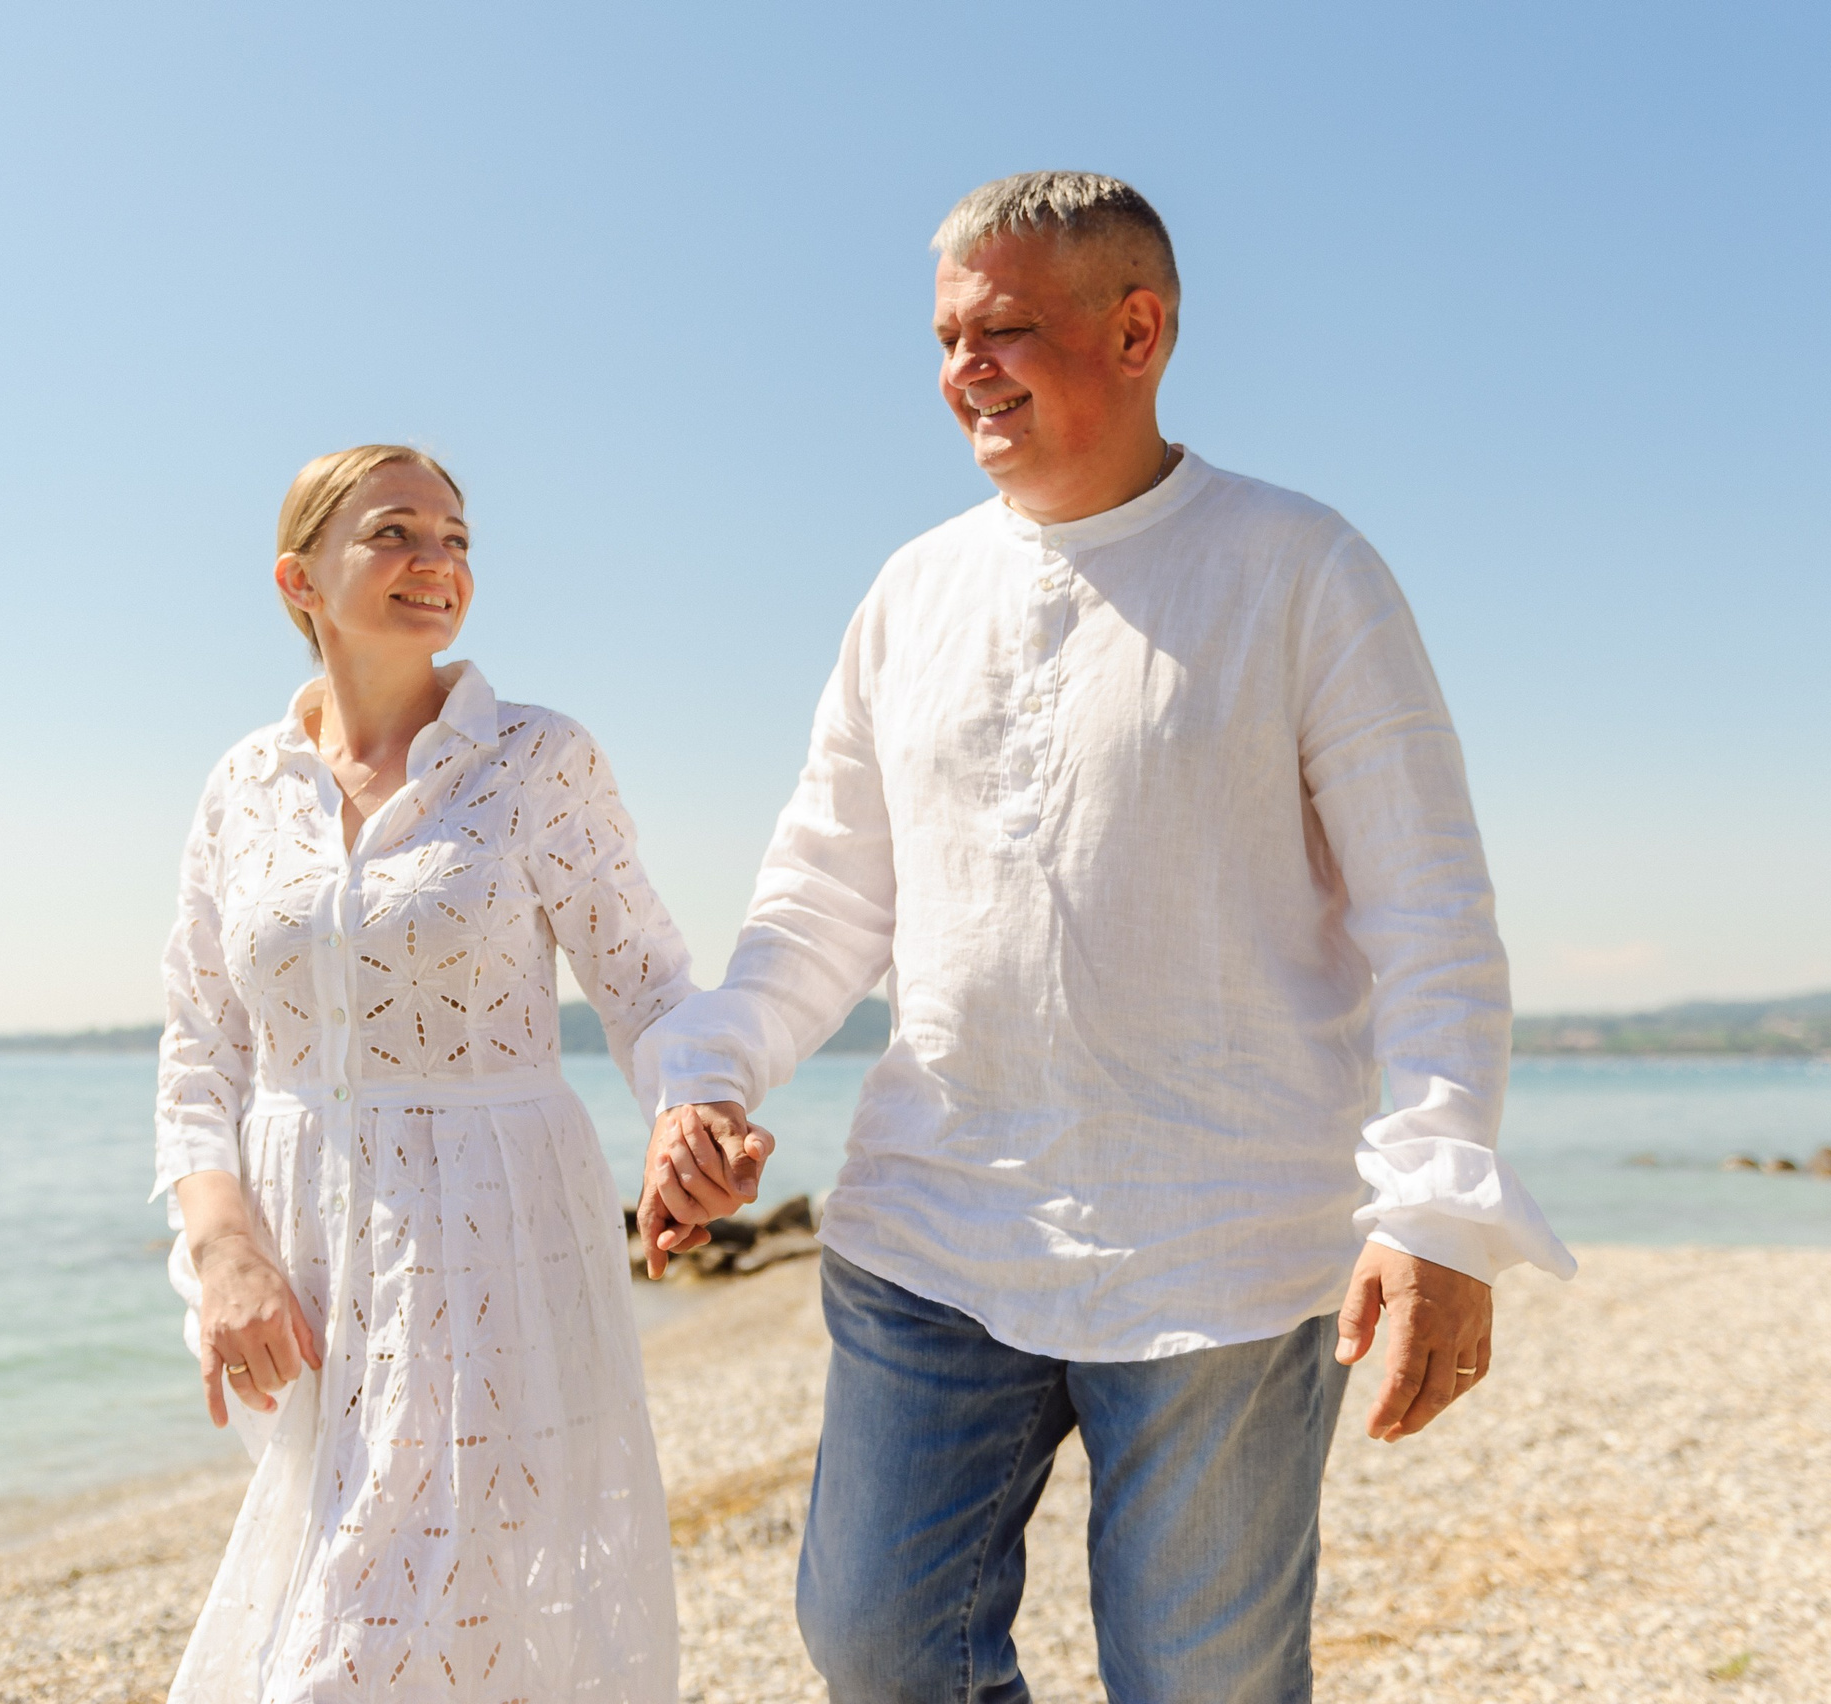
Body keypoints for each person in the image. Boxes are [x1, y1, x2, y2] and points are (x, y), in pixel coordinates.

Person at [634, 172, 1576, 1702]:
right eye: (945, 339)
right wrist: (716, 1071)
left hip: (1223, 1245)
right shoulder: (911, 592)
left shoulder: (1302, 568)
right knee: (874, 1643)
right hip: (935, 1228)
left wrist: (1435, 1204)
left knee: (1201, 1683)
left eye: (1001, 330)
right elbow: (824, 896)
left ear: (1139, 331)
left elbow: (1432, 914)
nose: (964, 370)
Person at [151, 445, 743, 1702]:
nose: (438, 562)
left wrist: (692, 1113)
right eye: (396, 533)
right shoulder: (243, 787)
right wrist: (222, 1249)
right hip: (299, 1269)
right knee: (437, 1631)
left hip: (487, 1240)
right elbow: (201, 1046)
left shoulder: (536, 759)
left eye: (457, 538)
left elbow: (646, 983)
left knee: (353, 1648)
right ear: (299, 580)